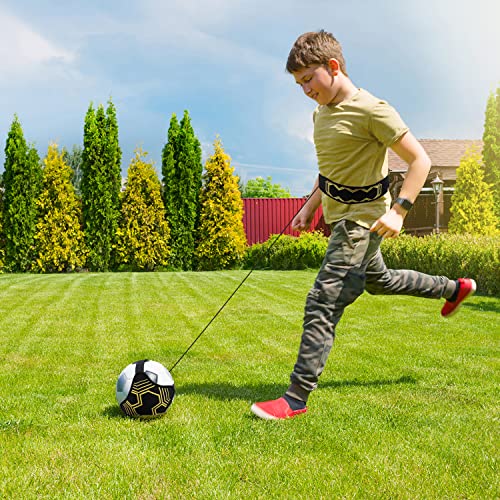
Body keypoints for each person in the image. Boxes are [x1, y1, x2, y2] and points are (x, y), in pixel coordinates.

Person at [250, 30, 476, 420]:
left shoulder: (373, 110)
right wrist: (309, 206)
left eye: (308, 79)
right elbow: (331, 170)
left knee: (323, 300)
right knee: (380, 281)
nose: (304, 89)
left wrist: (400, 210)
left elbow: (421, 160)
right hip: (339, 218)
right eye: (298, 83)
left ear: (333, 67)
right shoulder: (320, 112)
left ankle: (295, 398)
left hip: (364, 221)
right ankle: (456, 288)